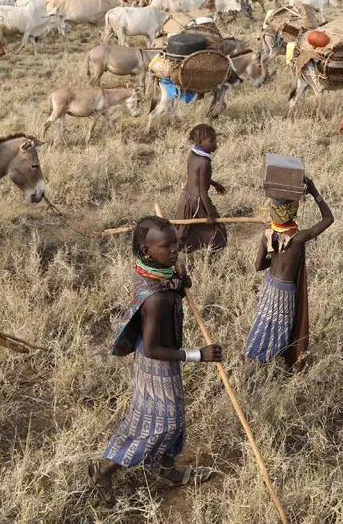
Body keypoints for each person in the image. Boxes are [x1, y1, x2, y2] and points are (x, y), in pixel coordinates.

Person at [88, 217, 221, 505]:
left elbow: (167, 285)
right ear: (148, 251)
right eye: (167, 246)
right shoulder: (156, 298)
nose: (175, 250)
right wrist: (199, 355)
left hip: (161, 356)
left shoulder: (153, 271)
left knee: (168, 419)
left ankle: (168, 471)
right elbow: (152, 348)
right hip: (157, 362)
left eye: (175, 243)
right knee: (159, 425)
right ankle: (104, 469)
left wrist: (178, 283)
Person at [244, 179, 333, 372]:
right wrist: (314, 191)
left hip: (269, 285)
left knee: (263, 324)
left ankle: (252, 364)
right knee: (279, 330)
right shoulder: (297, 238)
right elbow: (328, 219)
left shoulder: (268, 235)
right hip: (284, 291)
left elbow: (259, 265)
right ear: (293, 211)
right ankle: (261, 368)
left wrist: (276, 259)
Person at [174, 124, 227, 252]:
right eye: (211, 141)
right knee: (216, 231)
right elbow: (203, 190)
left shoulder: (193, 155)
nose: (215, 144)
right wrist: (209, 214)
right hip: (197, 202)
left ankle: (179, 253)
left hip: (186, 198)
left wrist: (215, 184)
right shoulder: (205, 163)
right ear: (200, 142)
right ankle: (209, 256)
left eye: (215, 140)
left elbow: (197, 178)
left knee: (183, 230)